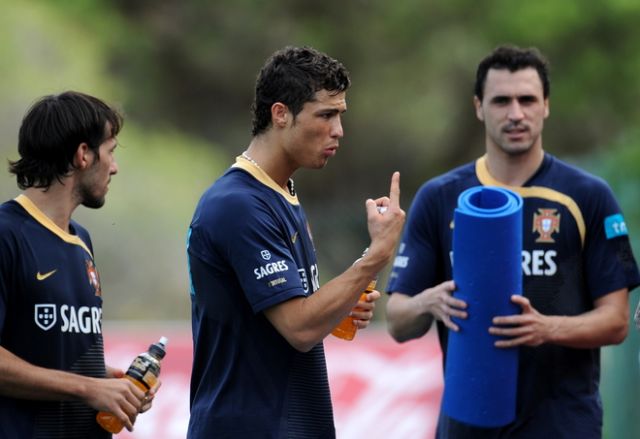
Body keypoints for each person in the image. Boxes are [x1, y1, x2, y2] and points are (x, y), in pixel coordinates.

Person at [385, 45, 640, 438]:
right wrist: (427, 302)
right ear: (478, 107)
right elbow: (397, 321)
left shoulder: (588, 196)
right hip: (468, 423)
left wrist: (546, 328)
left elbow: (617, 321)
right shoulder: (440, 197)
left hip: (562, 424)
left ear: (546, 106)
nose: (516, 113)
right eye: (501, 101)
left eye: (527, 100)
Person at [186, 46, 405, 438]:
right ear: (281, 114)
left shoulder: (279, 193)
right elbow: (299, 328)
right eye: (326, 115)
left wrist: (340, 304)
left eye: (340, 115)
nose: (338, 130)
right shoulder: (238, 204)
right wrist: (375, 257)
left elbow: (288, 314)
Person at [0, 91, 157, 438]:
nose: (114, 167)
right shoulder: (7, 234)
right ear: (83, 154)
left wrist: (108, 381)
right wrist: (88, 388)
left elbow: (47, 351)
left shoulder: (81, 240)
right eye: (110, 151)